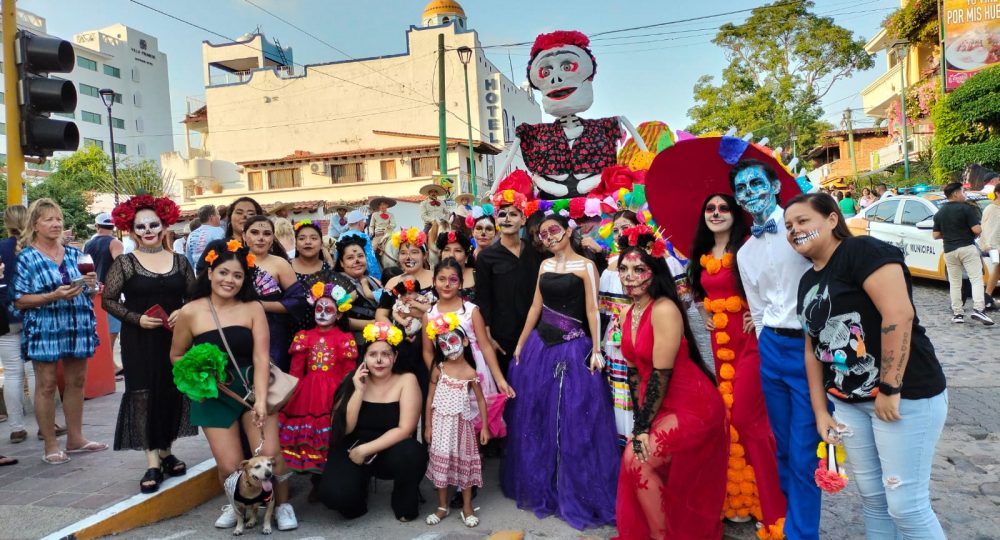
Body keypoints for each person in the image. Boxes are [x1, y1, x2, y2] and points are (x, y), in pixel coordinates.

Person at [788, 193, 948, 539]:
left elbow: (898, 314)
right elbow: (812, 349)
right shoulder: (807, 282)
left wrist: (890, 388)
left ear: (832, 219)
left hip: (905, 396)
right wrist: (820, 411)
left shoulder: (862, 252)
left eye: (802, 221)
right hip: (849, 405)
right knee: (873, 500)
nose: (794, 230)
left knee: (906, 506)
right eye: (789, 226)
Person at [169, 240, 298, 531]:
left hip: (252, 387)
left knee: (271, 456)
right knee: (229, 466)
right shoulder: (190, 312)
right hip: (213, 394)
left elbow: (262, 356)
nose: (230, 280)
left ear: (245, 279)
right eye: (224, 273)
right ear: (211, 272)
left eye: (238, 276)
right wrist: (198, 373)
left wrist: (262, 401)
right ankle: (236, 504)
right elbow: (176, 356)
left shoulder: (252, 308)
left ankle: (283, 505)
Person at [503, 213, 619, 529]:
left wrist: (596, 349)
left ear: (568, 230)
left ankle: (572, 488)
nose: (549, 236)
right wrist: (520, 342)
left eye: (553, 229)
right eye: (542, 234)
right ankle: (546, 483)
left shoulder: (586, 266)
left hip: (573, 346)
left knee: (573, 418)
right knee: (538, 414)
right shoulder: (544, 266)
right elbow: (535, 308)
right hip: (540, 346)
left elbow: (594, 309)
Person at [614, 233, 728, 540]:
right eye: (624, 269)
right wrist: (641, 424)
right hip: (659, 402)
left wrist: (641, 430)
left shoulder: (664, 309)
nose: (630, 277)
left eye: (639, 270)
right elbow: (635, 373)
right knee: (635, 460)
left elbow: (661, 375)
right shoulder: (627, 312)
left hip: (691, 404)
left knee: (638, 463)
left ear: (655, 271)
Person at [731, 160, 821, 540]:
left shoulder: (801, 229)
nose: (750, 191)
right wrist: (767, 337)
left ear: (773, 184)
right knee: (782, 448)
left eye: (756, 183)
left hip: (809, 348)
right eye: (741, 187)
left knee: (804, 452)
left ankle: (802, 533)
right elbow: (757, 308)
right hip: (772, 348)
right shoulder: (745, 252)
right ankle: (787, 521)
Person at [688, 193, 787, 531]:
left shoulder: (748, 248)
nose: (716, 213)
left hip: (750, 343)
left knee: (748, 420)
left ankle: (775, 507)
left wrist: (759, 315)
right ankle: (740, 498)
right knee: (730, 418)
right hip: (720, 344)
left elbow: (777, 285)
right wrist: (704, 310)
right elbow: (701, 293)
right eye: (710, 208)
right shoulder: (702, 255)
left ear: (736, 214)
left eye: (723, 208)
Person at [103, 194, 197, 493]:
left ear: (164, 225)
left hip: (175, 339)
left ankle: (167, 452)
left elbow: (195, 296)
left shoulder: (181, 262)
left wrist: (184, 310)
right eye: (140, 226)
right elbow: (108, 300)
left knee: (170, 392)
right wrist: (135, 318)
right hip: (139, 340)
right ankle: (152, 461)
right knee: (143, 394)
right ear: (130, 230)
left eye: (153, 225)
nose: (147, 231)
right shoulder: (125, 263)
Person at [13, 199, 104, 465]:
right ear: (35, 225)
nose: (55, 224)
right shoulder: (27, 258)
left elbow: (91, 289)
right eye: (48, 220)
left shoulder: (76, 255)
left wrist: (91, 285)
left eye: (58, 219)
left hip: (78, 322)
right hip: (45, 327)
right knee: (47, 384)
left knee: (77, 382)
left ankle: (75, 438)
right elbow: (18, 299)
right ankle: (51, 445)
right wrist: (52, 296)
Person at [316, 322, 427, 521]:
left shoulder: (407, 380)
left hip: (390, 447)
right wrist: (359, 391)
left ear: (395, 357)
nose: (379, 360)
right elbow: (345, 429)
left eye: (385, 354)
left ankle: (403, 500)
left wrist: (366, 449)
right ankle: (358, 492)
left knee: (414, 454)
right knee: (335, 497)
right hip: (352, 447)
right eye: (372, 354)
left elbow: (405, 428)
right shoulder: (354, 379)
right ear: (364, 357)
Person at [423, 258, 514, 438]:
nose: (447, 284)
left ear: (461, 283)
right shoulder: (429, 314)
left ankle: (475, 455)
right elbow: (427, 351)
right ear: (434, 281)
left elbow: (486, 346)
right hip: (447, 373)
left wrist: (500, 379)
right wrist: (438, 374)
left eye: (453, 279)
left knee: (476, 414)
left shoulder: (471, 311)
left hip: (475, 369)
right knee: (452, 419)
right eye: (441, 279)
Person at [279, 282, 357, 478]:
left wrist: (346, 398)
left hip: (334, 393)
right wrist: (289, 395)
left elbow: (349, 374)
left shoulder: (344, 338)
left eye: (328, 309)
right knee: (308, 439)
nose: (322, 313)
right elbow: (295, 371)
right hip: (307, 394)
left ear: (339, 315)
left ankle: (329, 479)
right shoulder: (303, 336)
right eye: (319, 308)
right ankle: (314, 477)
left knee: (331, 436)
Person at [423, 313, 490, 528]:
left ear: (464, 341)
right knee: (442, 467)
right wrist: (428, 425)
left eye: (452, 341)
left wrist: (485, 427)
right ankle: (442, 506)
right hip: (441, 427)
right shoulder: (439, 369)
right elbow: (430, 398)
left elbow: (480, 400)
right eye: (443, 344)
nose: (449, 347)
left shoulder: (471, 372)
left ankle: (467, 507)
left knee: (465, 466)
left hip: (463, 428)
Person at [474, 177, 542, 378]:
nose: (507, 219)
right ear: (496, 220)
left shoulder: (536, 251)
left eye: (513, 214)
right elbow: (483, 299)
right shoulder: (487, 257)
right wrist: (488, 337)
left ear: (523, 219)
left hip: (536, 333)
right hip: (502, 337)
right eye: (502, 214)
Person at [0, 205, 57, 445]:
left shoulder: (2, 247)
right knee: (37, 371)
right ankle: (46, 426)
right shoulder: (36, 248)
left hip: (4, 316)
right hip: (35, 312)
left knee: (12, 372)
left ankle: (16, 427)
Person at [243, 215, 309, 372]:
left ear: (273, 238)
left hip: (273, 334)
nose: (260, 238)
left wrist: (260, 305)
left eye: (266, 234)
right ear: (244, 236)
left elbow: (298, 302)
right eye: (254, 232)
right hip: (239, 330)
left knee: (273, 383)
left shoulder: (280, 264)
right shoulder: (234, 261)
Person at [598, 209, 639, 447]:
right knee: (620, 389)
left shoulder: (660, 260)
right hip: (616, 339)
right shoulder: (609, 271)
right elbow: (603, 311)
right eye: (615, 230)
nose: (620, 233)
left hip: (647, 333)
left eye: (625, 227)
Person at [376, 228, 434, 396]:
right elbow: (381, 314)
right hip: (401, 347)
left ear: (424, 255)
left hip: (432, 345)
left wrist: (421, 316)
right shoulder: (393, 282)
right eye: (403, 253)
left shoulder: (436, 278)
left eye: (414, 252)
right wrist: (398, 333)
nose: (409, 257)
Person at [933, 182, 994, 325]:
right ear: (955, 194)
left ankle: (958, 313)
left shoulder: (940, 213)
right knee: (976, 279)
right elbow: (977, 230)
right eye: (962, 191)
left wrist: (949, 235)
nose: (964, 194)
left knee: (955, 283)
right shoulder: (965, 209)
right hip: (967, 247)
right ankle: (979, 309)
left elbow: (935, 235)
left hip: (949, 250)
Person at [84, 212, 125, 374]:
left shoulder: (88, 243)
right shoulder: (115, 242)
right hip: (109, 290)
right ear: (112, 226)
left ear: (97, 226)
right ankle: (109, 365)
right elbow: (121, 264)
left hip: (92, 290)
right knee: (113, 328)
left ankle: (104, 364)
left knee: (99, 328)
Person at [334, 235, 381, 346]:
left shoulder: (373, 280)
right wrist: (372, 324)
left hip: (380, 334)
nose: (357, 260)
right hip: (353, 341)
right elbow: (338, 319)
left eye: (360, 256)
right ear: (341, 263)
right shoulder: (336, 285)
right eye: (350, 258)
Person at [290, 221, 336, 331]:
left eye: (314, 238)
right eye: (302, 238)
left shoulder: (327, 270)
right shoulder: (286, 267)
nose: (308, 242)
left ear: (321, 245)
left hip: (320, 328)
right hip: (290, 327)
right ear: (295, 244)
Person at [340, 209, 382, 281]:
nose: (364, 223)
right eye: (363, 221)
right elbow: (371, 260)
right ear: (359, 223)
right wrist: (377, 278)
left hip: (345, 276)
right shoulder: (363, 236)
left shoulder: (341, 236)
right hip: (362, 275)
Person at [435, 231, 477, 302]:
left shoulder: (478, 275)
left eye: (458, 251)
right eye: (447, 250)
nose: (451, 255)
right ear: (441, 254)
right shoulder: (435, 276)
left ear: (466, 257)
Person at [186, 204, 225, 269]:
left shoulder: (191, 235)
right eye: (218, 214)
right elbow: (224, 254)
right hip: (214, 271)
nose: (220, 217)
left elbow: (189, 260)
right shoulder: (219, 231)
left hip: (197, 273)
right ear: (211, 217)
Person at [982, 193, 1000, 300]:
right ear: (997, 193)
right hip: (994, 245)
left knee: (998, 269)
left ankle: (987, 296)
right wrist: (989, 245)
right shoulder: (991, 209)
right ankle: (987, 296)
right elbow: (986, 228)